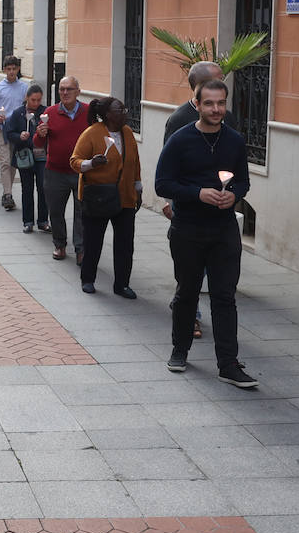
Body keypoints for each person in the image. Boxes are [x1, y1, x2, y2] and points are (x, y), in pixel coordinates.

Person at [155, 79, 256, 388]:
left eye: (221, 103)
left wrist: (234, 194)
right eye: (209, 103)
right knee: (187, 293)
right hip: (188, 229)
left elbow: (243, 181)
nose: (216, 109)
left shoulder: (234, 140)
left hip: (224, 230)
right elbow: (162, 183)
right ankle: (180, 350)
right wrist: (197, 193)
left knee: (225, 296)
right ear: (197, 104)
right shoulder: (180, 139)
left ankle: (228, 364)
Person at [162, 61, 238, 338]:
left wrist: (234, 192)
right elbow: (167, 171)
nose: (223, 82)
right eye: (218, 78)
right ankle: (188, 313)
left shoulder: (228, 117)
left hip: (219, 210)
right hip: (189, 208)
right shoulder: (179, 120)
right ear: (200, 87)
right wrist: (173, 200)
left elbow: (237, 165)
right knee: (190, 267)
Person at [72, 98, 142, 298]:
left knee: (125, 244)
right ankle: (88, 279)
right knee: (93, 242)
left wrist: (138, 186)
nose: (125, 113)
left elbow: (135, 162)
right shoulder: (92, 133)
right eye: (120, 110)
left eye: (124, 109)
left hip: (125, 197)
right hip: (98, 197)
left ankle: (122, 284)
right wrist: (91, 163)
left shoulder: (127, 133)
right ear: (108, 115)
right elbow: (75, 162)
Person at [41, 76, 87, 262]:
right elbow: (37, 143)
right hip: (55, 172)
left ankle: (81, 249)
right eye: (62, 89)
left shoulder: (88, 112)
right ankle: (59, 245)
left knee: (82, 212)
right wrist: (40, 134)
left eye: (69, 89)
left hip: (81, 172)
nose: (65, 92)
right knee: (55, 211)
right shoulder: (50, 112)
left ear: (78, 92)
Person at [5, 85, 49, 233]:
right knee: (27, 188)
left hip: (41, 155)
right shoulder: (18, 113)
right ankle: (28, 221)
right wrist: (20, 136)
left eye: (38, 100)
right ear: (27, 98)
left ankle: (43, 220)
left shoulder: (45, 112)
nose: (36, 103)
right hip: (25, 155)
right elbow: (9, 133)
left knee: (43, 187)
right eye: (33, 100)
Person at [0, 56, 27, 211]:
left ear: (18, 69)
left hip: (16, 130)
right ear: (4, 70)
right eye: (8, 69)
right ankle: (7, 194)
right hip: (2, 128)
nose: (11, 72)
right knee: (4, 161)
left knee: (12, 163)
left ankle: (7, 192)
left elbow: (26, 107)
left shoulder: (24, 87)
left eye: (14, 69)